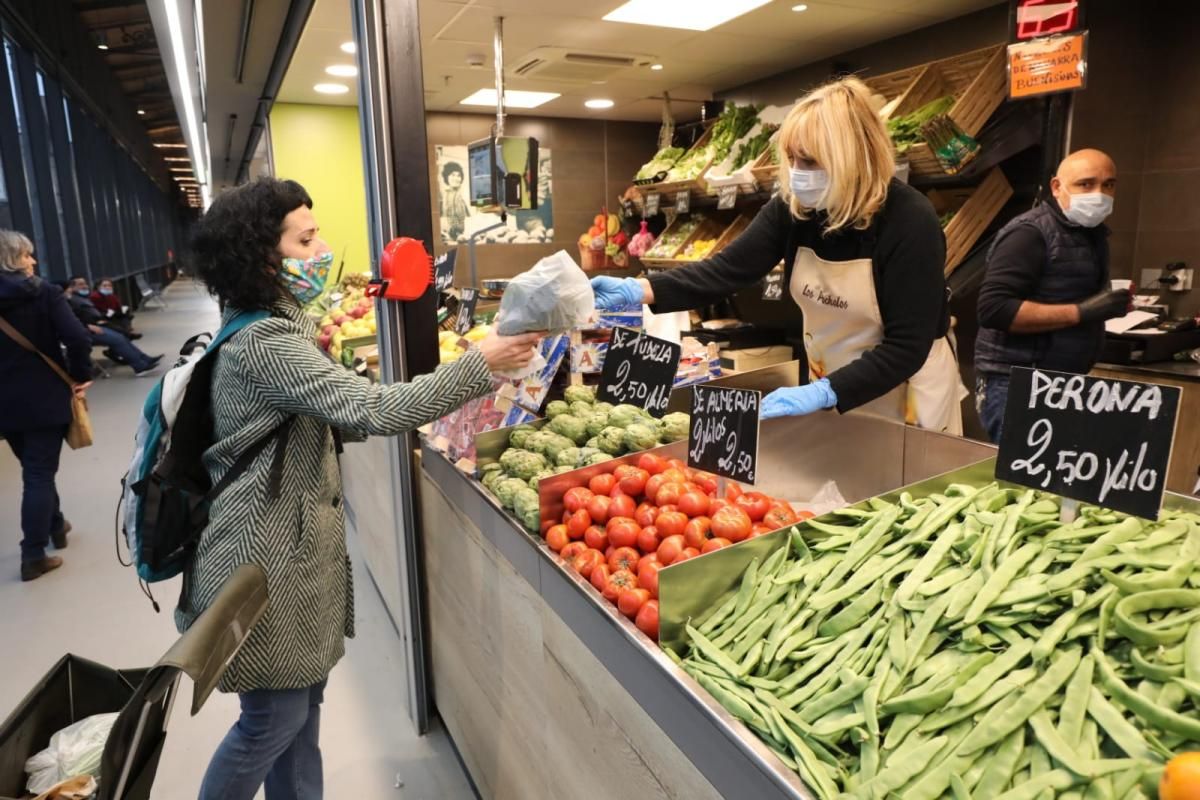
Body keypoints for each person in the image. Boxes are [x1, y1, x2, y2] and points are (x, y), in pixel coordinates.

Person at [183, 177, 540, 800]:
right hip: (260, 559)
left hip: (285, 551)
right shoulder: (265, 344)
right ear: (261, 254)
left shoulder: (269, 322)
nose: (321, 248)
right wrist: (481, 363)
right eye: (306, 237)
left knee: (301, 709)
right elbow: (372, 409)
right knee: (272, 719)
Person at [593, 78, 966, 433]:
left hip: (906, 389)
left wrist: (824, 392)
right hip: (829, 374)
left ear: (852, 160)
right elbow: (726, 271)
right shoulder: (795, 208)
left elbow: (906, 347)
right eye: (791, 159)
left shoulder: (910, 221)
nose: (797, 173)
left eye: (809, 162)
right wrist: (640, 290)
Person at [974, 148, 1130, 442]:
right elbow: (994, 309)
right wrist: (1084, 312)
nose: (1099, 193)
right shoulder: (1029, 233)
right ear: (1057, 187)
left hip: (1062, 383)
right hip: (1017, 384)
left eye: (1108, 185)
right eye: (1086, 184)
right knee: (1021, 481)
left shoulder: (1089, 233)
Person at [0, 230, 93, 581]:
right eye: (26, 255)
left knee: (33, 466)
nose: (33, 262)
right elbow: (77, 337)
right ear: (12, 259)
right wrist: (79, 375)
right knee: (38, 473)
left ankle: (56, 526)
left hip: (4, 403)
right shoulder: (44, 293)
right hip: (44, 396)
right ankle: (33, 554)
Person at [65, 275, 162, 375]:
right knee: (117, 339)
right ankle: (140, 366)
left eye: (85, 283)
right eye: (80, 284)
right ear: (72, 287)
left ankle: (144, 359)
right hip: (87, 331)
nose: (84, 286)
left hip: (95, 325)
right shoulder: (71, 301)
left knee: (120, 337)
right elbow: (73, 319)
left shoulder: (81, 298)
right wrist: (88, 325)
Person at [439, 161, 469, 242]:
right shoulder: (445, 196)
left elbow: (467, 219)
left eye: (458, 175)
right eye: (453, 175)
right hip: (450, 237)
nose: (456, 178)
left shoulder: (464, 194)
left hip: (463, 236)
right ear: (447, 177)